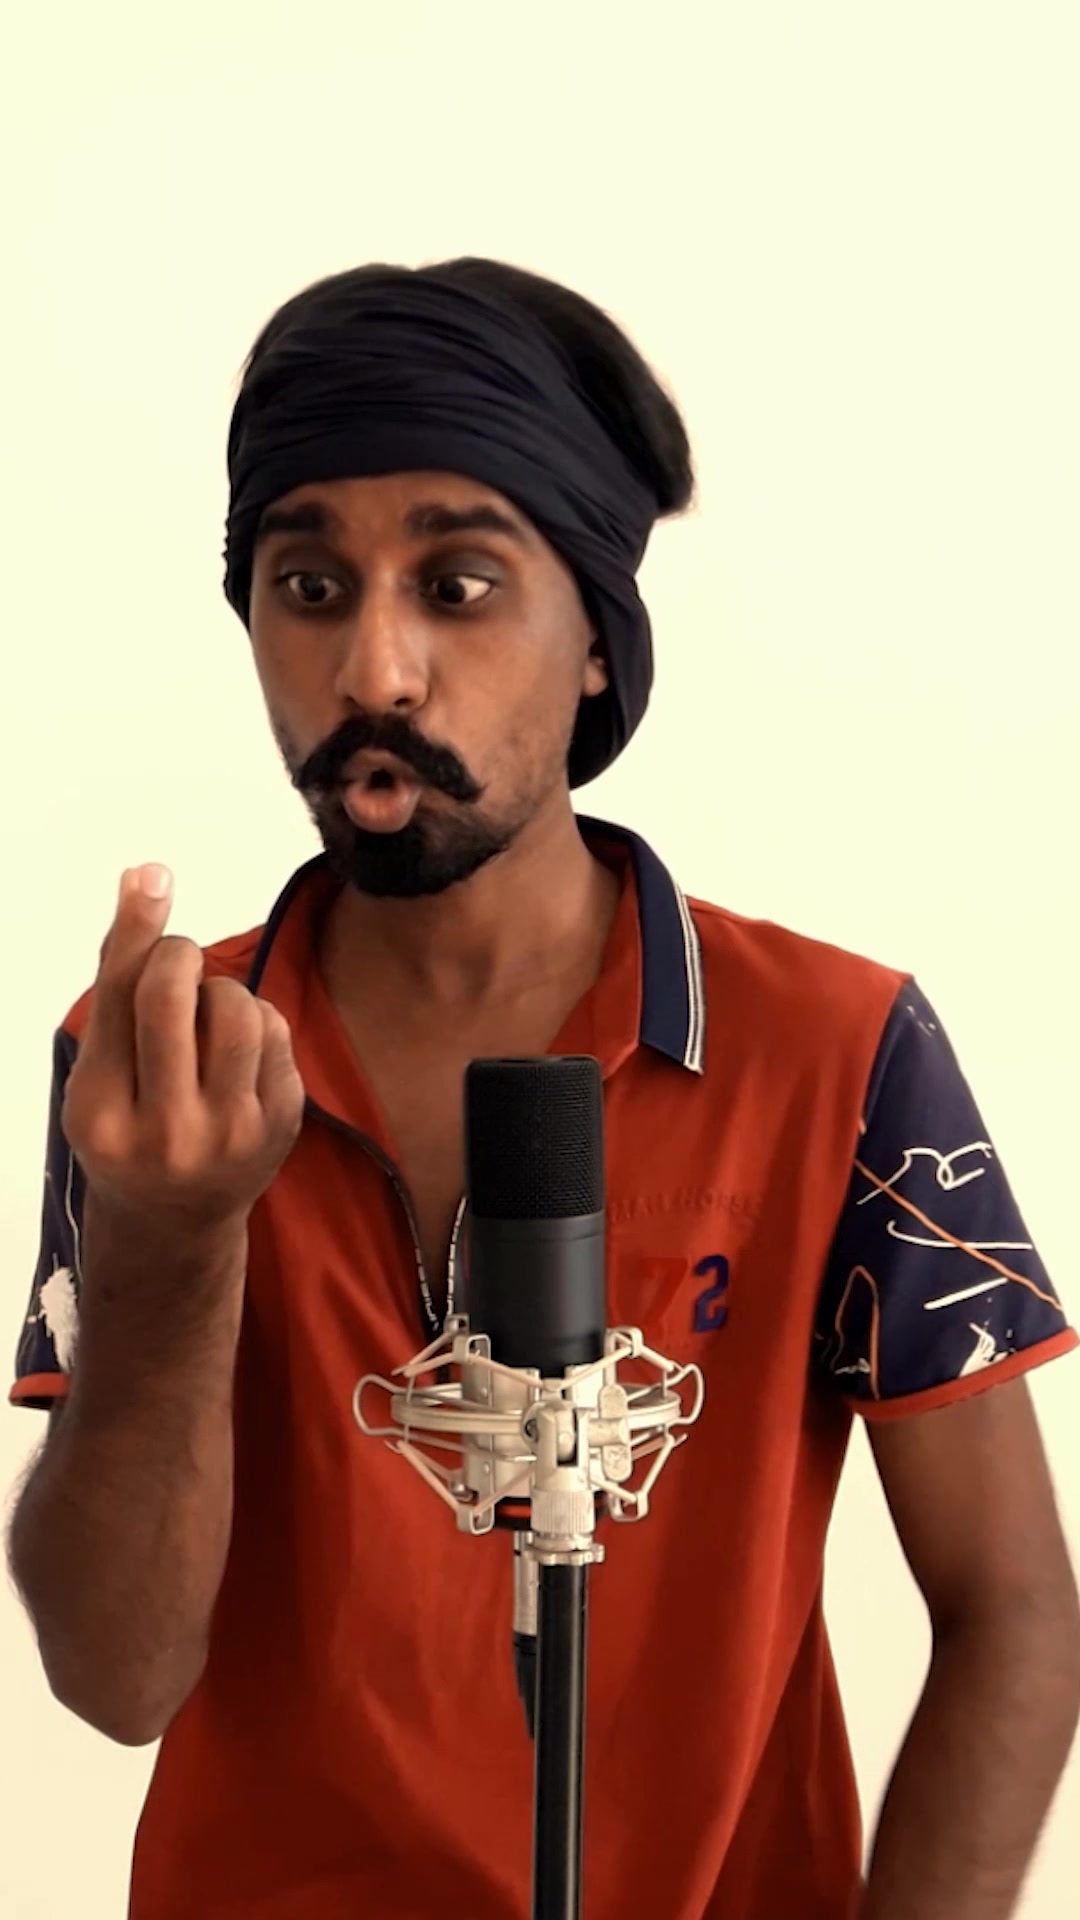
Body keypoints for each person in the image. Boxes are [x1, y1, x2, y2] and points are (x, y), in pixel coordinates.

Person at [6, 257, 1079, 1920]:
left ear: (595, 639)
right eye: (308, 585)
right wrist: (174, 1238)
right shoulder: (154, 1064)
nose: (376, 669)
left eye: (458, 584)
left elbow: (1015, 1613)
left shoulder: (836, 1049)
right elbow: (117, 1675)